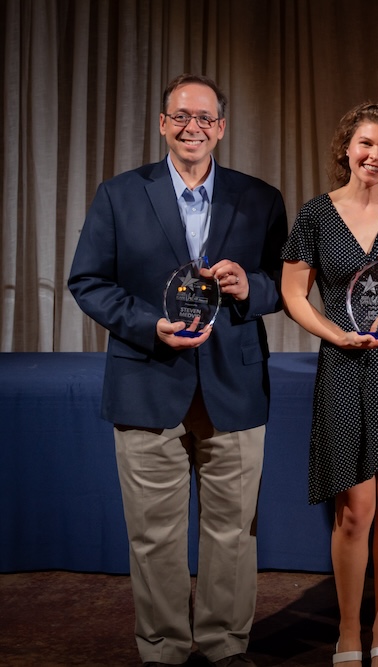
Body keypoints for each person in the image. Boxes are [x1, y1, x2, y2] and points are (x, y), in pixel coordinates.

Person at [67, 74, 287, 667]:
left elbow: (285, 286)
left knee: (233, 535)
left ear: (221, 126)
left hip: (234, 388)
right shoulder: (118, 194)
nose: (194, 127)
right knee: (154, 538)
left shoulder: (261, 197)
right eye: (182, 116)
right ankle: (162, 648)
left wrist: (252, 288)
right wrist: (147, 325)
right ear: (163, 123)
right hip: (146, 380)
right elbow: (87, 281)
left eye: (206, 118)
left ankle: (222, 647)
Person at [280, 101, 378, 667]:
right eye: (367, 144)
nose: (376, 156)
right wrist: (334, 335)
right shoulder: (316, 214)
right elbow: (294, 293)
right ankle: (349, 630)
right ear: (347, 147)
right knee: (356, 511)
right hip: (347, 368)